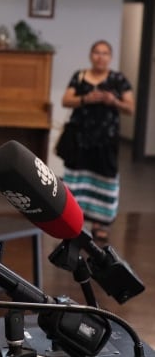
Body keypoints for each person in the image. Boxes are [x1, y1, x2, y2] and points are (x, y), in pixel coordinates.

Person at [60, 40, 134, 242]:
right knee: (75, 180)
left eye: (105, 53)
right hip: (79, 140)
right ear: (91, 55)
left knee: (104, 179)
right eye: (96, 52)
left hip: (106, 140)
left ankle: (100, 224)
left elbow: (130, 108)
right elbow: (65, 100)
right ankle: (74, 222)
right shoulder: (80, 76)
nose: (100, 57)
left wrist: (113, 101)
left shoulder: (119, 80)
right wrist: (86, 99)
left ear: (110, 57)